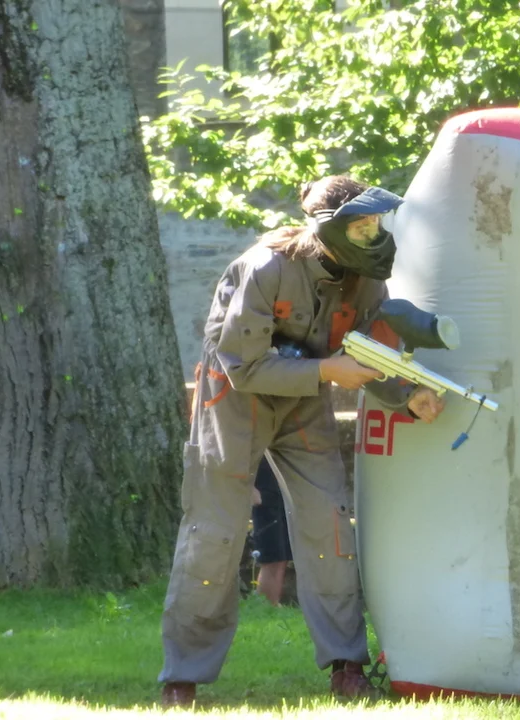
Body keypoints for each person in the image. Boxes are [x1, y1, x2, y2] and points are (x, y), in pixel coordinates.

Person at [159, 176, 446, 706]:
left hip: (305, 400)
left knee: (330, 525)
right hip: (235, 401)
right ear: (329, 227)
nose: (373, 235)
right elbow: (245, 367)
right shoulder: (265, 268)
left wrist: (408, 394)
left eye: (375, 225)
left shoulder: (365, 280)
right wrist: (329, 371)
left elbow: (373, 353)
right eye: (361, 227)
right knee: (214, 532)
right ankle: (183, 677)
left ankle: (347, 665)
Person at [250, 456, 292, 606]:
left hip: (280, 491)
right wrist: (249, 486)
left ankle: (272, 604)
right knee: (272, 556)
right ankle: (265, 605)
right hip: (262, 494)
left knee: (282, 554)